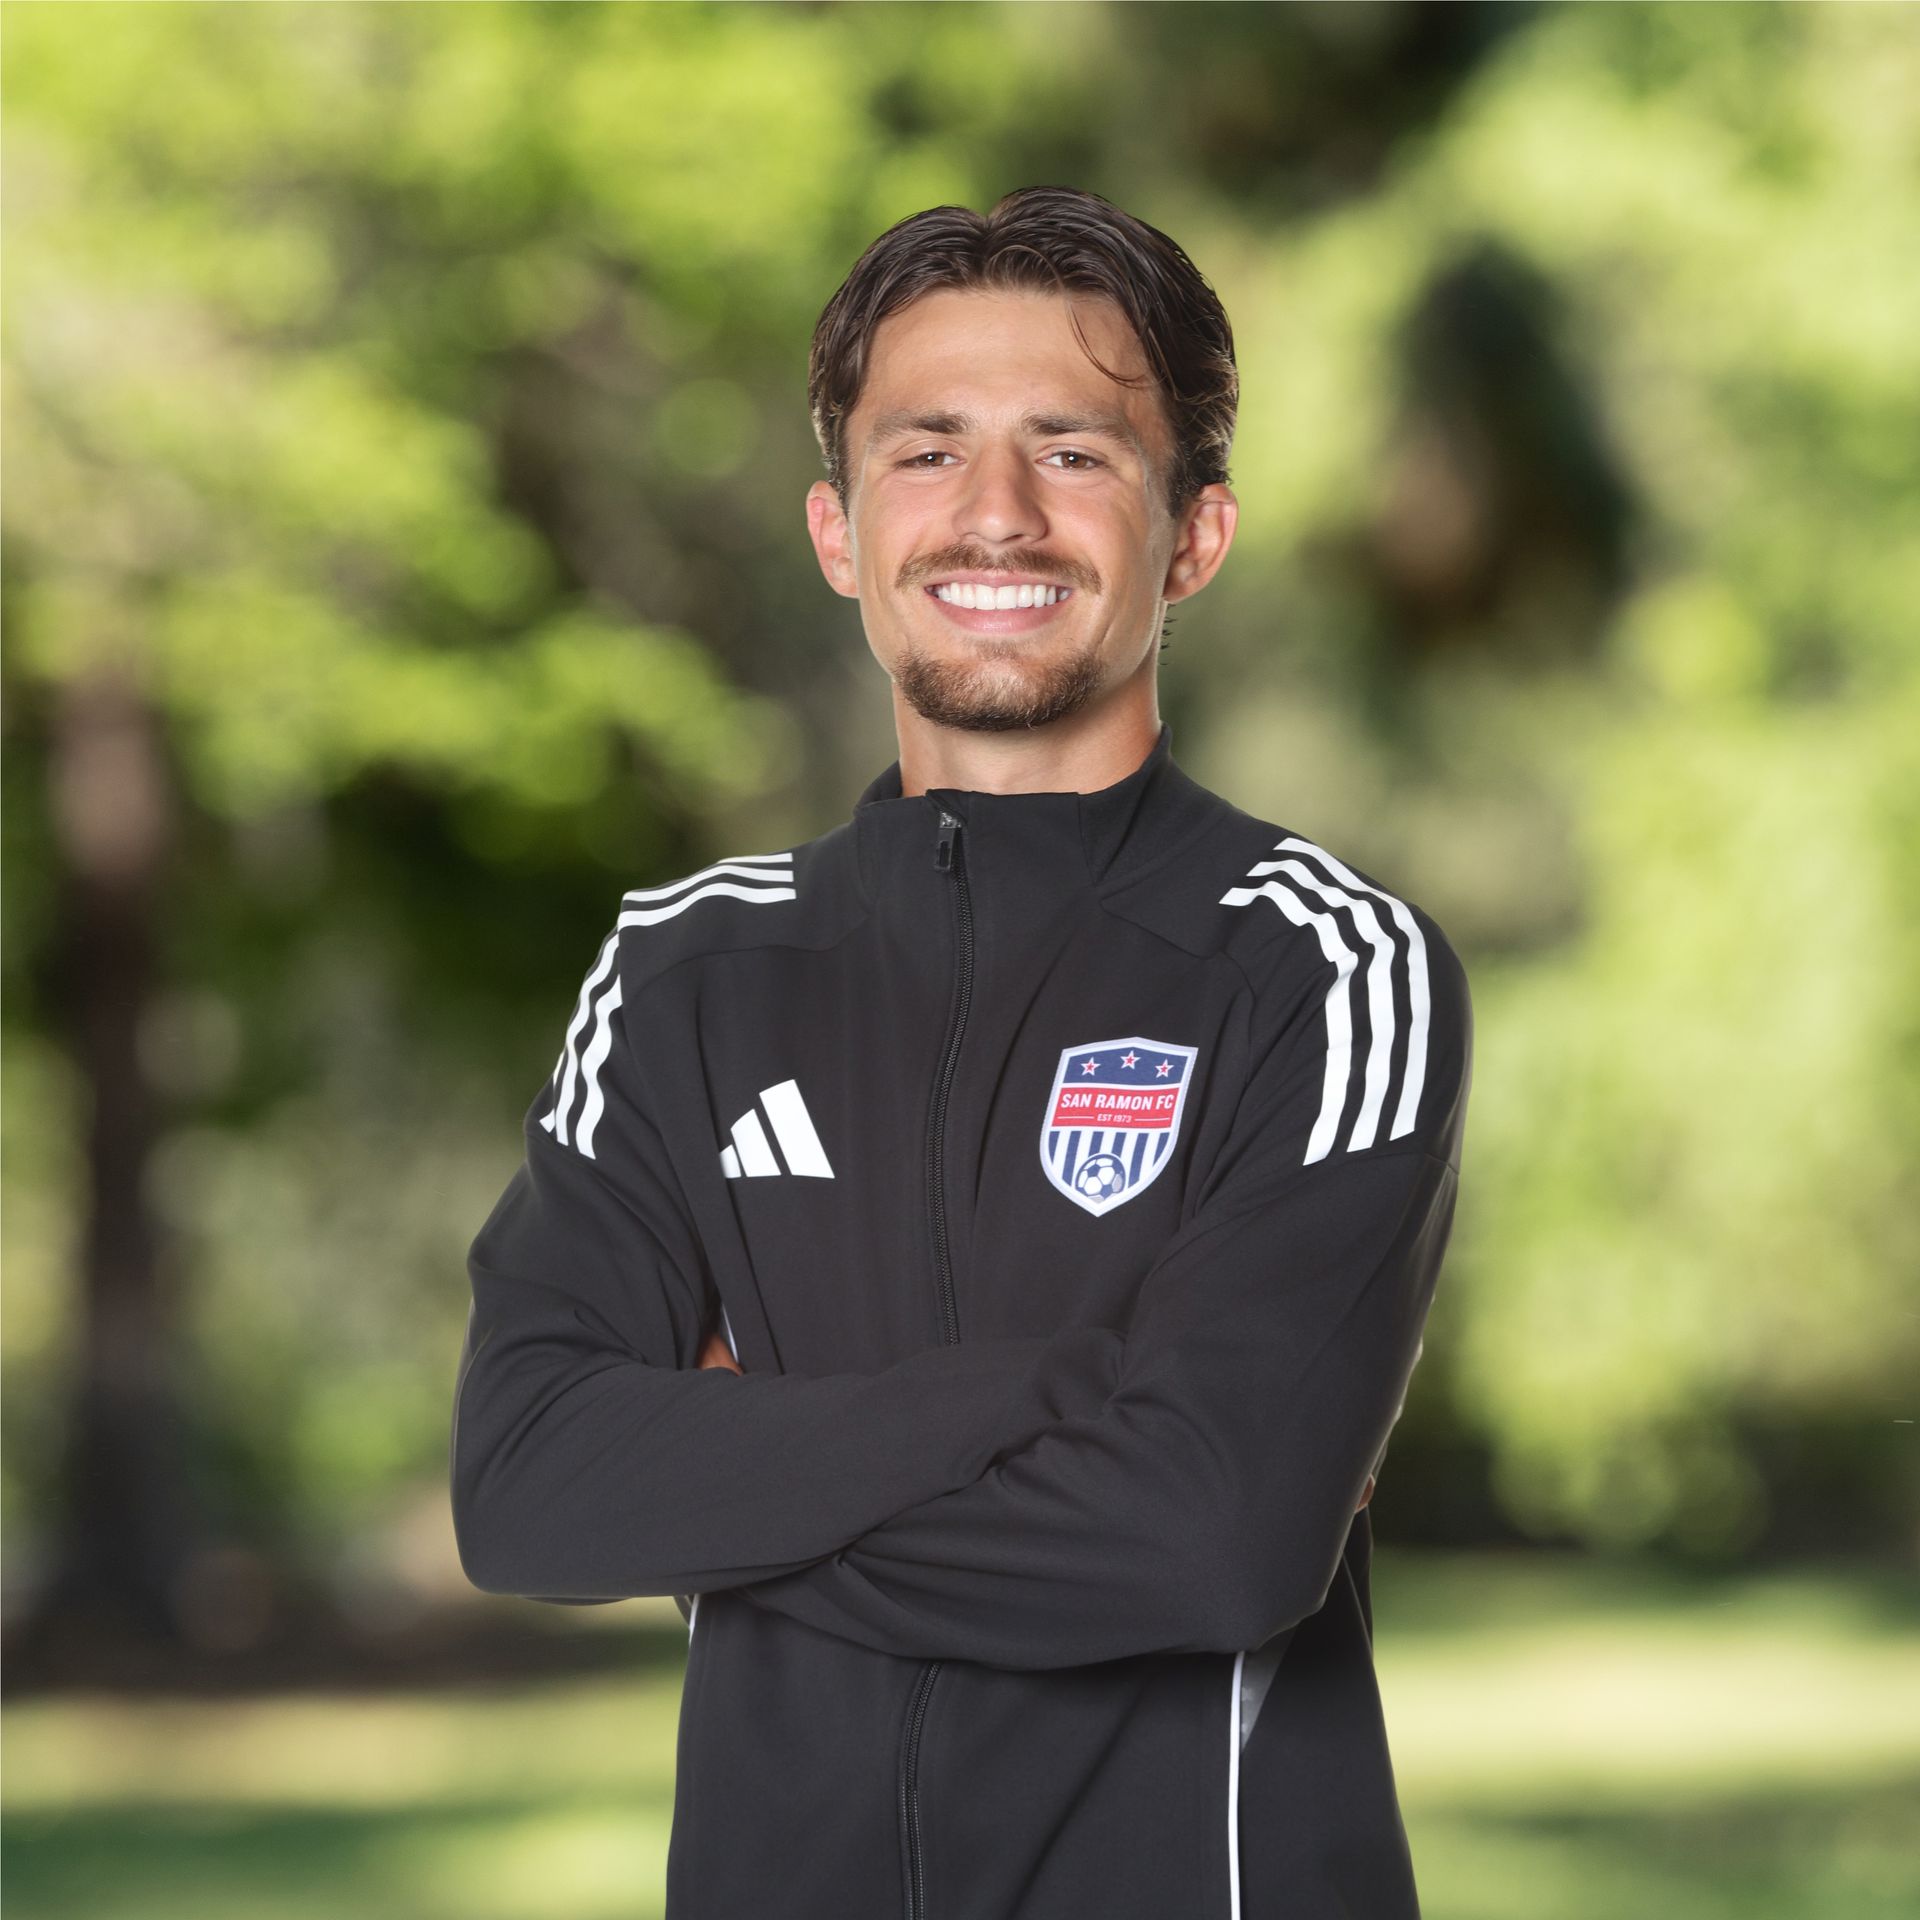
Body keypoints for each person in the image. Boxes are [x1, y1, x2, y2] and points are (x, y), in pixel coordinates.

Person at [450, 184, 1472, 1920]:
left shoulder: (1321, 965)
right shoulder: (687, 972)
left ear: (1195, 534)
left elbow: (1215, 1543)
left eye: (1074, 451)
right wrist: (1063, 1389)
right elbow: (528, 1487)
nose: (996, 513)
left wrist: (729, 1468)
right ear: (838, 531)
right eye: (925, 452)